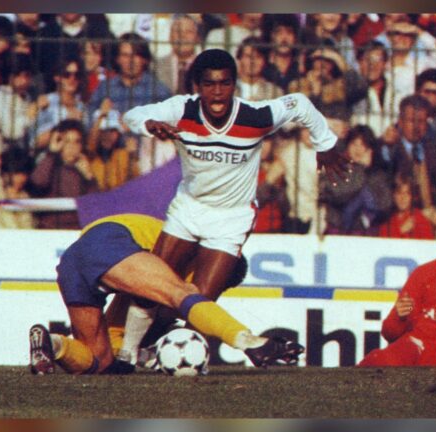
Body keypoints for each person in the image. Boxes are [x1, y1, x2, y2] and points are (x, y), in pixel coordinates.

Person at [119, 49, 351, 352]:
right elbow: (131, 115)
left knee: (198, 304)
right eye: (209, 84)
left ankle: (170, 353)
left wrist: (325, 143)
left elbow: (300, 104)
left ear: (234, 85)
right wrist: (148, 124)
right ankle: (127, 354)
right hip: (188, 209)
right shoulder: (181, 109)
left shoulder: (255, 116)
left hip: (232, 218)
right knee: (151, 288)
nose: (217, 92)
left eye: (225, 83)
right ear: (197, 87)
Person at [29, 213, 305, 375]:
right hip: (109, 242)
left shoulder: (164, 250)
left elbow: (120, 326)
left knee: (100, 361)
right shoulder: (188, 258)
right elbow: (183, 299)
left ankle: (52, 344)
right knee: (180, 293)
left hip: (75, 259)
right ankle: (249, 341)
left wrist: (135, 354)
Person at [358, 256, 436, 366]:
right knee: (379, 360)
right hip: (421, 347)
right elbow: (389, 332)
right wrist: (400, 317)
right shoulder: (425, 273)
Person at [30, 119, 98, 229]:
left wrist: (89, 177)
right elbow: (38, 183)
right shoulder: (50, 164)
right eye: (67, 141)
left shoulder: (85, 168)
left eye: (76, 142)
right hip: (50, 231)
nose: (72, 147)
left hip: (77, 231)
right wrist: (51, 153)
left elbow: (95, 206)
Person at [155, 14, 201, 95]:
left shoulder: (205, 66)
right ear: (170, 37)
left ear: (197, 38)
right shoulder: (154, 66)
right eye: (178, 31)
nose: (182, 36)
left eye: (188, 32)